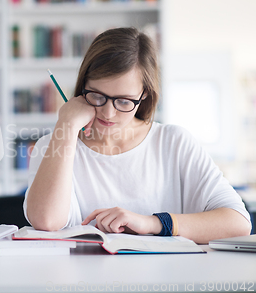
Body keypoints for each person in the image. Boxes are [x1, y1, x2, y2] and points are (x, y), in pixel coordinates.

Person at [23, 27, 251, 244]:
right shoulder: (51, 146)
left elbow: (238, 223)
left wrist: (153, 223)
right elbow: (47, 221)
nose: (108, 112)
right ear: (83, 86)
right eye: (97, 95)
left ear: (144, 96)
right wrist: (67, 124)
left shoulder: (173, 142)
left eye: (123, 101)